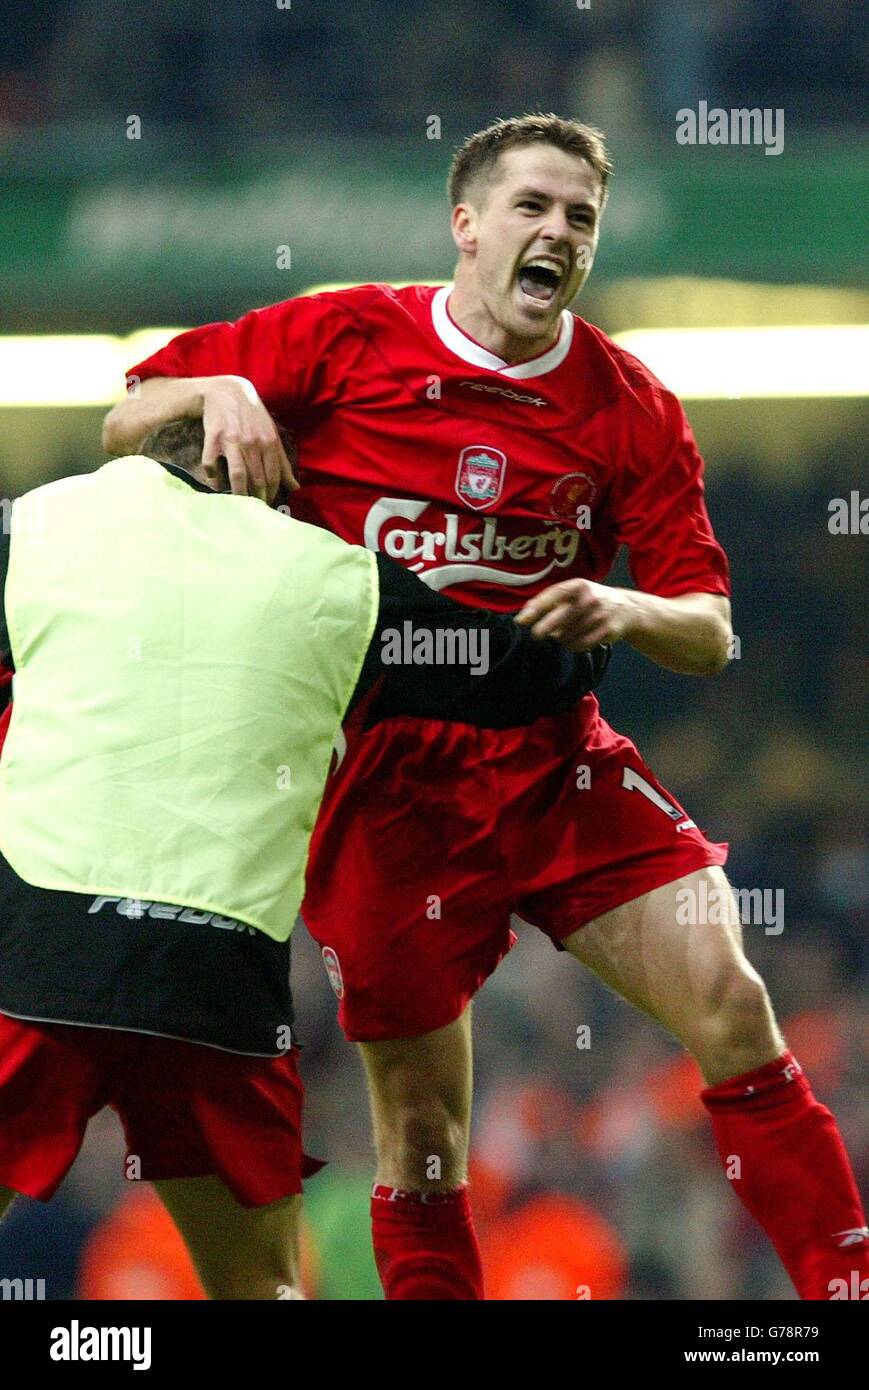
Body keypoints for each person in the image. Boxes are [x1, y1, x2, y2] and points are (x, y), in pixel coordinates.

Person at [102, 114, 868, 1301]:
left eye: (579, 218)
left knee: (730, 1000)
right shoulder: (342, 336)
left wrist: (620, 608)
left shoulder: (627, 405)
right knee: (420, 1138)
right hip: (382, 778)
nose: (556, 231)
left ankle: (839, 1289)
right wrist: (212, 392)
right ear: (466, 224)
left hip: (551, 755)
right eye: (532, 207)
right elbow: (126, 415)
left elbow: (709, 630)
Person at [0, 416, 609, 1301]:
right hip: (215, 978)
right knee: (265, 1287)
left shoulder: (48, 522)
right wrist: (591, 636)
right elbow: (508, 665)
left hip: (38, 959)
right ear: (269, 470)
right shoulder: (330, 574)